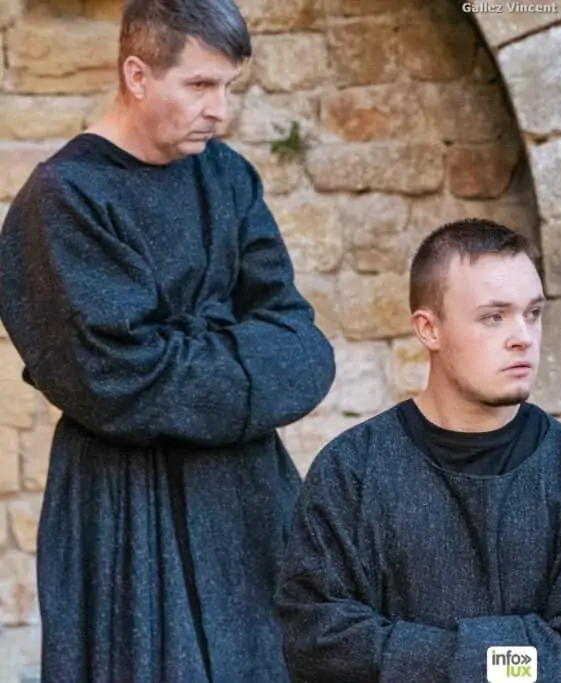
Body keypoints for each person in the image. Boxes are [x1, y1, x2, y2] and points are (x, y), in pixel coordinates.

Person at [0, 1, 336, 680]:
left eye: (228, 87)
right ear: (137, 74)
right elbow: (120, 381)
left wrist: (187, 359)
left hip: (246, 495)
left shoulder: (228, 177)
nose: (220, 111)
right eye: (200, 85)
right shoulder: (64, 199)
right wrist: (244, 360)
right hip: (123, 505)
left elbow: (303, 348)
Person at [275, 219, 561, 682]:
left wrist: (418, 655)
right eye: (494, 317)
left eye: (533, 313)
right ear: (429, 329)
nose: (523, 336)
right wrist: (505, 661)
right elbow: (318, 643)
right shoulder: (351, 471)